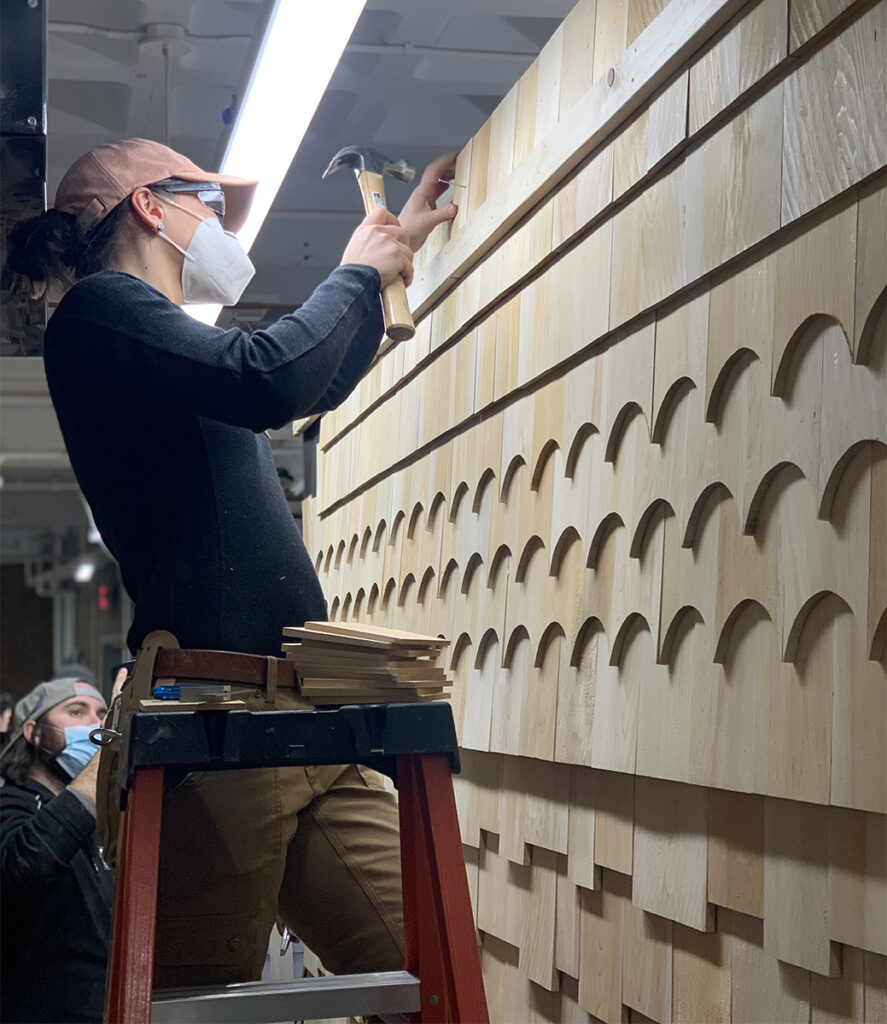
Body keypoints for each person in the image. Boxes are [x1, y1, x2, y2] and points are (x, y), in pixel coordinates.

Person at [5, 137, 458, 988]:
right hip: (217, 728)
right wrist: (354, 273)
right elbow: (268, 378)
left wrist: (395, 260)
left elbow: (305, 385)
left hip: (304, 721)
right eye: (208, 206)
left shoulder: (174, 351)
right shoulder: (100, 311)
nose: (220, 226)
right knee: (201, 1008)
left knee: (424, 975)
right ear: (150, 205)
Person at [0, 678, 111, 1023]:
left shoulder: (101, 818)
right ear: (33, 732)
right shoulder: (11, 803)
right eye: (76, 711)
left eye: (102, 714)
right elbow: (28, 862)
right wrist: (109, 749)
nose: (94, 724)